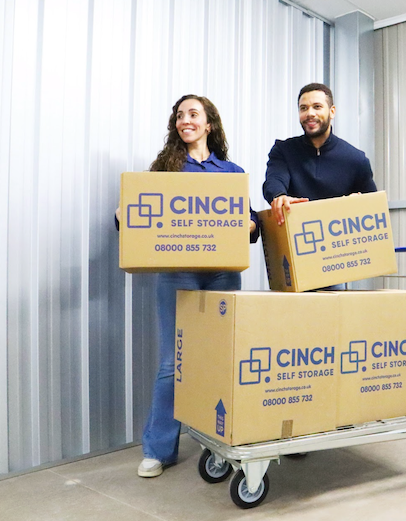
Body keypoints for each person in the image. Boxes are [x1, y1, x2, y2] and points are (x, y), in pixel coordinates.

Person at [117, 94, 258, 478]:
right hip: (178, 273)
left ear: (209, 123)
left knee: (222, 359)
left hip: (222, 274)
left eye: (193, 114)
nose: (185, 120)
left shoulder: (230, 172)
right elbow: (137, 216)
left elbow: (250, 226)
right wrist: (123, 214)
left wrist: (248, 223)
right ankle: (158, 450)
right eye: (180, 115)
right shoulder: (165, 170)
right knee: (172, 363)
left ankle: (221, 438)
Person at [262, 82, 377, 226]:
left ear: (332, 111)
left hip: (339, 237)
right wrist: (279, 196)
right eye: (303, 108)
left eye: (317, 107)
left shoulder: (356, 159)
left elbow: (375, 208)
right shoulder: (283, 150)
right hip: (296, 233)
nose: (310, 113)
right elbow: (274, 181)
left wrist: (362, 202)